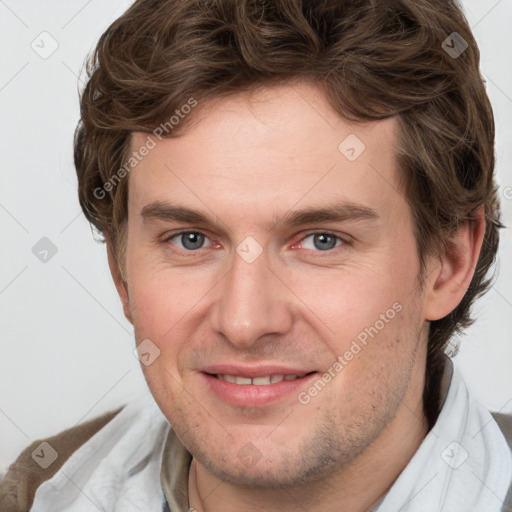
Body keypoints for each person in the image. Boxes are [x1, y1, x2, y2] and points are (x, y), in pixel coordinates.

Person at [1, 0, 511, 510]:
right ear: (121, 270)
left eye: (321, 240)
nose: (244, 322)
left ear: (448, 262)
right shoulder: (38, 493)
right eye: (191, 239)